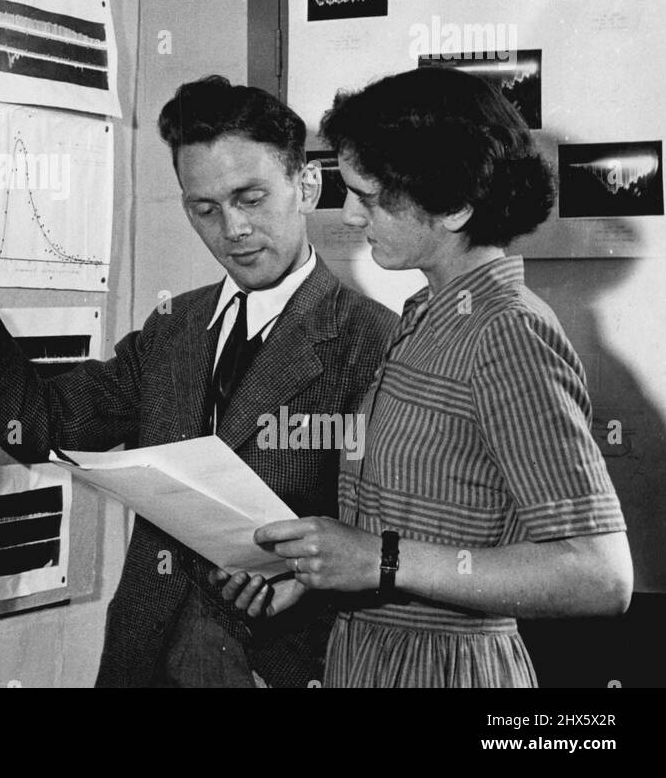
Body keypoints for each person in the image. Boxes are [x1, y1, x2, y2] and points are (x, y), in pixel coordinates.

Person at [0, 76, 397, 688]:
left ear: (306, 185)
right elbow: (42, 426)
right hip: (147, 659)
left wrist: (305, 580)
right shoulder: (174, 327)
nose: (231, 229)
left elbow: (401, 548)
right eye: (204, 209)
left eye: (250, 198)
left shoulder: (375, 343)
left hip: (286, 666)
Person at [234, 67, 632, 688]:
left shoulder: (506, 332)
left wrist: (379, 562)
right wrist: (323, 574)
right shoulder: (427, 317)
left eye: (368, 196)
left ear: (453, 205)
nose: (347, 216)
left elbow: (598, 576)